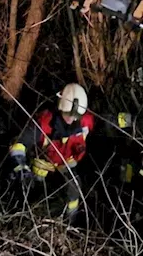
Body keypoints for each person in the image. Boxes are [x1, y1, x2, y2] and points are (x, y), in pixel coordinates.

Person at [7, 84, 131, 223]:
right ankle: (27, 219)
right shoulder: (44, 123)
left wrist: (131, 120)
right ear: (61, 107)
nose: (72, 119)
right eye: (68, 115)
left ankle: (70, 223)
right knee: (32, 192)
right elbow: (20, 143)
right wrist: (20, 167)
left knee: (74, 189)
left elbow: (108, 120)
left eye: (76, 116)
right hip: (42, 165)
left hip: (66, 163)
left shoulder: (85, 121)